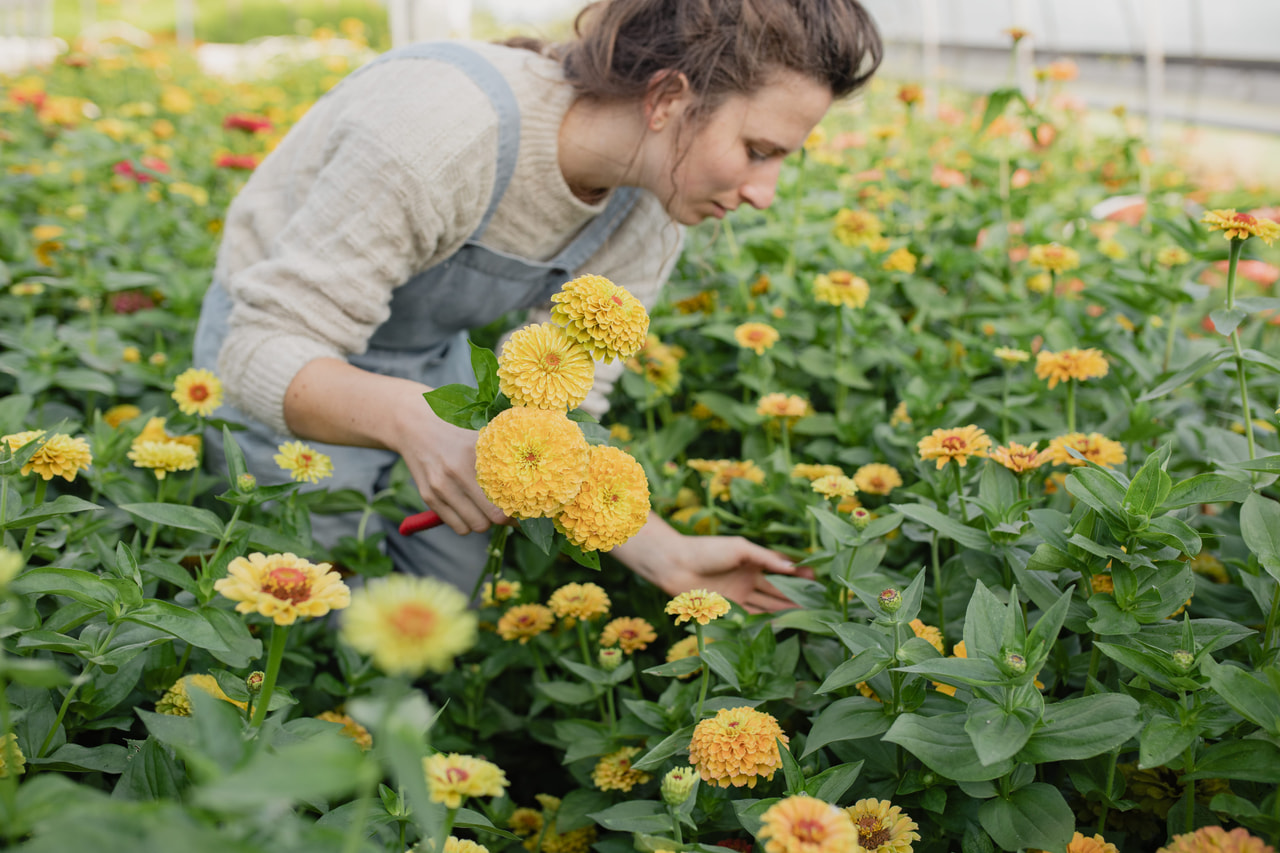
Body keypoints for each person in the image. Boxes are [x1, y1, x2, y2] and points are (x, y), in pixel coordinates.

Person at [194, 0, 882, 612]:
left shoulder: (655, 203)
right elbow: (259, 349)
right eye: (758, 150)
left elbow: (563, 411)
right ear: (669, 98)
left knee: (439, 603)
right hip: (286, 350)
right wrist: (413, 422)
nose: (766, 191)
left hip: (432, 358)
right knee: (317, 603)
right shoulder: (442, 129)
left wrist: (660, 547)